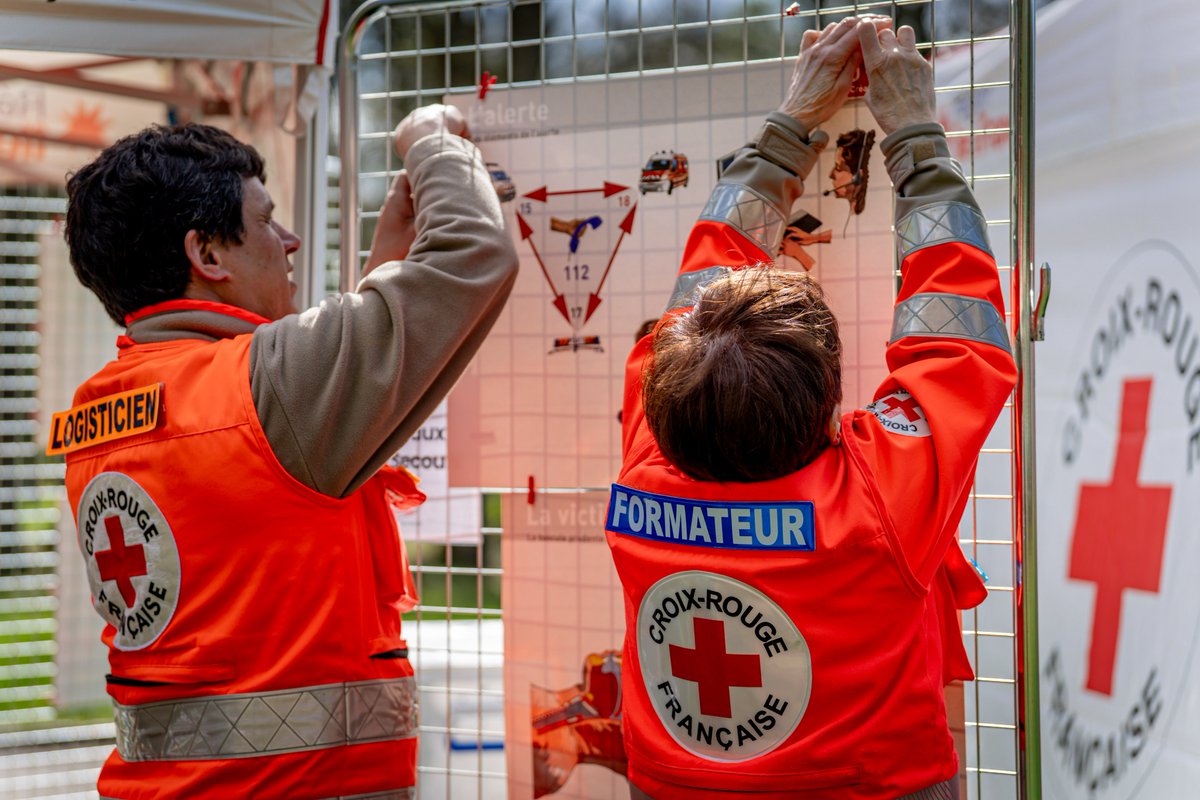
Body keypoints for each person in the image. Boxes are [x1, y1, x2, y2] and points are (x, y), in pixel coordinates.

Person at [52, 105, 518, 798]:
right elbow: (475, 255)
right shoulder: (265, 387)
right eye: (266, 220)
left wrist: (385, 263)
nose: (291, 240)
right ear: (207, 255)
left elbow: (282, 466)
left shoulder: (102, 408)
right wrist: (434, 141)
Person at [605, 16, 1017, 800]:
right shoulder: (875, 501)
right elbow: (956, 334)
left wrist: (790, 127)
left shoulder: (647, 463)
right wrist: (915, 138)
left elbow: (700, 292)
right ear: (836, 415)